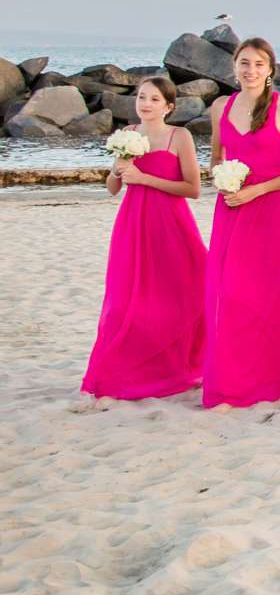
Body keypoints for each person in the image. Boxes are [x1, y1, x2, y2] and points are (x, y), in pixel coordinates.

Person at [201, 38, 280, 408]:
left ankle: (277, 376)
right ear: (234, 67)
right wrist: (223, 179)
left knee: (272, 293)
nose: (250, 70)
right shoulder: (221, 106)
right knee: (231, 292)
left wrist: (258, 190)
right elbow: (216, 158)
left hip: (273, 210)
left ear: (270, 69)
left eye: (258, 64)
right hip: (232, 209)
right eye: (244, 63)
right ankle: (234, 376)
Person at [79, 75, 205, 404]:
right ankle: (132, 366)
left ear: (169, 106)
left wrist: (145, 177)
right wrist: (117, 170)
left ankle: (182, 363)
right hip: (133, 223)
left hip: (171, 224)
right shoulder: (128, 135)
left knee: (181, 292)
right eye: (141, 98)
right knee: (127, 298)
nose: (145, 104)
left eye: (153, 99)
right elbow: (112, 189)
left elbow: (193, 189)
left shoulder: (180, 137)